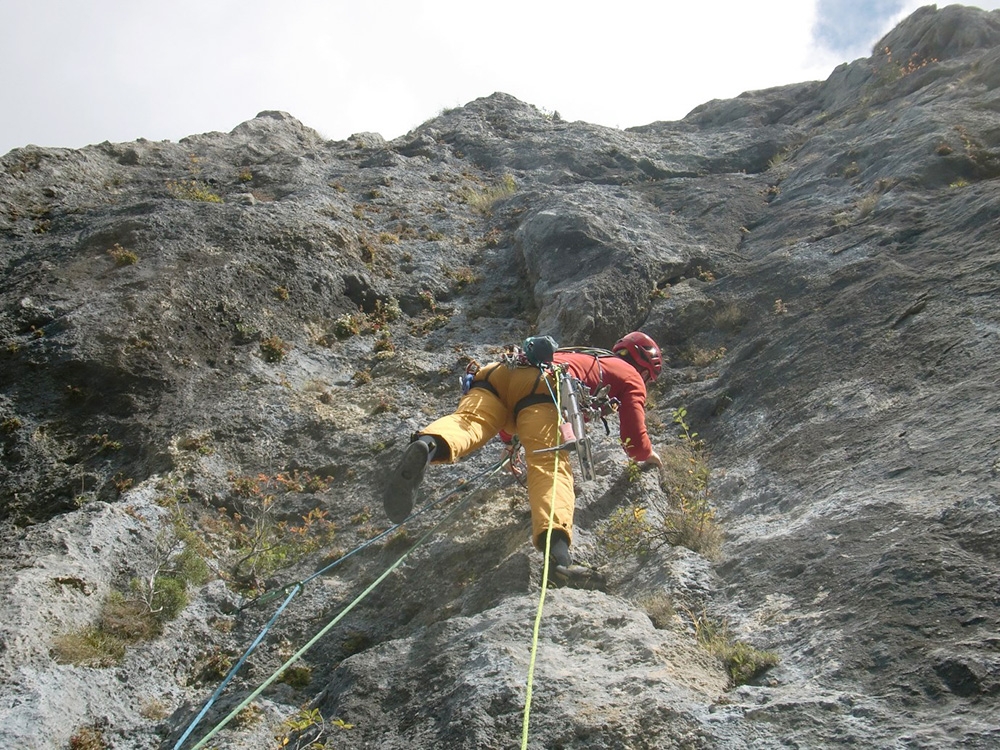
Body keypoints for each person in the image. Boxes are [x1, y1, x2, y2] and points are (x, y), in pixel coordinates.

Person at [383, 331, 663, 581]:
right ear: (646, 369)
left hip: (498, 372)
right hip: (543, 389)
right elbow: (633, 441)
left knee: (468, 422)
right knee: (548, 466)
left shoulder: (581, 355)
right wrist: (648, 455)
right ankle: (559, 560)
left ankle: (428, 445)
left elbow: (512, 404)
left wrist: (509, 442)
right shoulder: (630, 376)